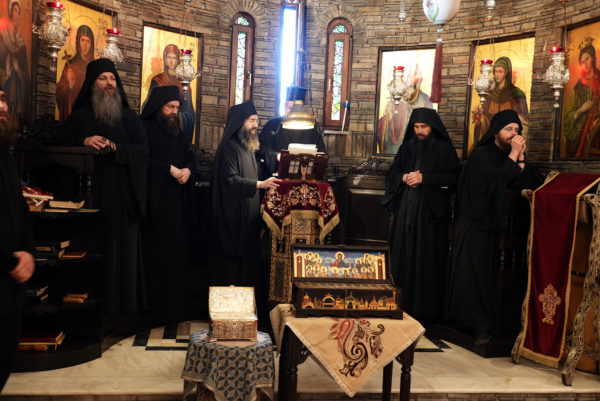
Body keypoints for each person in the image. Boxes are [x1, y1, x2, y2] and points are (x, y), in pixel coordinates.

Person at [446, 109, 542, 344]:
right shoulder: (481, 155)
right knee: (474, 276)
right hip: (473, 226)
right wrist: (515, 156)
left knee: (488, 277)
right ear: (496, 132)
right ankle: (475, 324)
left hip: (493, 226)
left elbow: (523, 179)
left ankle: (489, 324)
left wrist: (519, 158)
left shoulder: (506, 155)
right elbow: (493, 183)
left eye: (517, 130)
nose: (514, 134)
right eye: (508, 129)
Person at [63, 58, 148, 313]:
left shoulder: (130, 118)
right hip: (91, 197)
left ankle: (122, 310)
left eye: (112, 78)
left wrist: (116, 148)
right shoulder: (80, 118)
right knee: (92, 248)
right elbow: (61, 143)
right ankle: (91, 309)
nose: (109, 83)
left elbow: (142, 150)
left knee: (122, 253)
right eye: (103, 78)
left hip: (123, 197)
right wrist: (84, 141)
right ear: (92, 84)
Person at [382, 108, 460, 322]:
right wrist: (404, 177)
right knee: (402, 256)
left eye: (424, 127)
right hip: (405, 213)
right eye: (416, 127)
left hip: (429, 216)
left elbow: (454, 177)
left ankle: (423, 312)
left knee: (425, 260)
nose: (419, 131)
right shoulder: (407, 147)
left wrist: (425, 179)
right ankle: (398, 304)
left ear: (432, 127)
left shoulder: (444, 149)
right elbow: (393, 173)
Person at [210, 101, 280, 324]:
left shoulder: (248, 147)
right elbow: (230, 180)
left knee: (248, 264)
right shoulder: (229, 147)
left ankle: (247, 313)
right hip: (232, 216)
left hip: (248, 217)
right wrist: (260, 184)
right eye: (251, 121)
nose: (255, 126)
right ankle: (228, 316)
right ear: (240, 122)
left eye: (257, 121)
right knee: (232, 266)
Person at [140, 85, 194, 319]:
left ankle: (174, 308)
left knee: (176, 256)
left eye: (177, 107)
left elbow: (189, 156)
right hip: (155, 204)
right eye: (170, 107)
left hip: (177, 204)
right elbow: (141, 161)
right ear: (158, 106)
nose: (174, 112)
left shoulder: (176, 131)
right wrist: (168, 169)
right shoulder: (144, 128)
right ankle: (155, 310)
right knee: (156, 256)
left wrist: (188, 170)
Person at [0, 85, 35, 391]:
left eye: (2, 99)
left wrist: (27, 251)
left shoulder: (6, 156)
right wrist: (10, 259)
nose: (2, 106)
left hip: (8, 287)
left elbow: (19, 210)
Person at [259, 86, 326, 178]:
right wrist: (277, 156)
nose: (293, 112)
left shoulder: (312, 126)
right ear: (285, 105)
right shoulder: (273, 125)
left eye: (297, 109)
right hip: (276, 178)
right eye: (290, 108)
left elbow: (321, 153)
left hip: (304, 178)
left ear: (303, 108)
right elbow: (261, 149)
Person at [142, 44, 195, 144]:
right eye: (169, 57)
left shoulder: (185, 85)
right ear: (165, 59)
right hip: (157, 130)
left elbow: (190, 113)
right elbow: (148, 106)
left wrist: (179, 116)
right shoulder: (157, 80)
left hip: (175, 131)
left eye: (174, 58)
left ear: (178, 60)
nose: (171, 61)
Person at [472, 56, 530, 146]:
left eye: (500, 72)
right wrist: (479, 116)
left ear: (506, 73)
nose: (497, 75)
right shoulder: (489, 93)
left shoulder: (517, 94)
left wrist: (517, 118)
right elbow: (485, 119)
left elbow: (525, 119)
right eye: (495, 71)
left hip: (509, 140)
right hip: (491, 140)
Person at [563, 37, 600, 158]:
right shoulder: (578, 87)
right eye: (582, 62)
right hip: (582, 134)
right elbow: (568, 115)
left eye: (587, 59)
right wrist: (581, 110)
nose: (585, 64)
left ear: (593, 58)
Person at [0, 0, 31, 129]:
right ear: (10, 12)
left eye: (19, 12)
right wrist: (6, 71)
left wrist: (18, 71)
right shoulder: (2, 37)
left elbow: (26, 76)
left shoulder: (21, 44)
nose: (17, 15)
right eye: (15, 11)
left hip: (17, 96)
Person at [56, 25, 95, 123]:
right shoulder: (70, 65)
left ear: (92, 44)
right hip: (72, 116)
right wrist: (70, 85)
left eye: (88, 41)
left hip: (90, 118)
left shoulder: (95, 66)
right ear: (78, 41)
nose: (85, 45)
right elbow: (59, 92)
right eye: (82, 40)